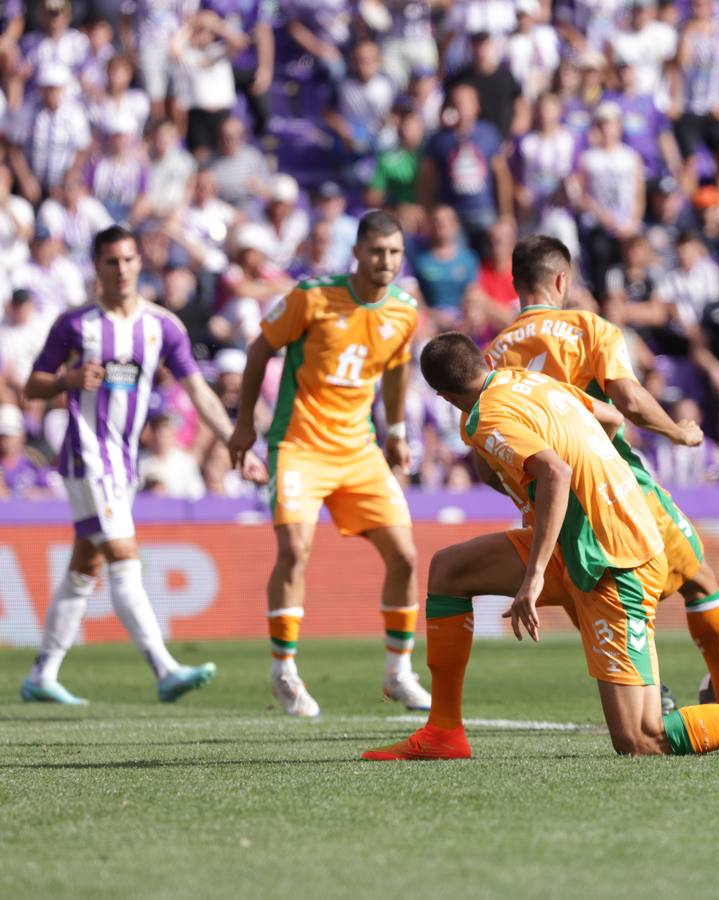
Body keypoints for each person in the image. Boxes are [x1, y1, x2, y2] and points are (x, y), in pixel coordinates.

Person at [360, 333, 719, 760]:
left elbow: (555, 473)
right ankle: (444, 732)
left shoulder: (486, 419)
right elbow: (609, 420)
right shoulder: (531, 382)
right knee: (451, 569)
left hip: (610, 557)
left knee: (641, 740)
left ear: (444, 396)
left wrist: (535, 571)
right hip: (595, 534)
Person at [481, 234, 719, 704]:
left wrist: (535, 491)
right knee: (699, 579)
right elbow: (629, 401)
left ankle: (649, 690)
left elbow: (487, 463)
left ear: (516, 284)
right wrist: (679, 432)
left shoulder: (491, 358)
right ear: (562, 279)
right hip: (617, 485)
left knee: (595, 603)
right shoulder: (588, 326)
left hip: (555, 510)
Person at [19, 224, 265, 705]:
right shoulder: (76, 325)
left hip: (124, 462)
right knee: (124, 560)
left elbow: (198, 391)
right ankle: (164, 668)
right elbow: (33, 385)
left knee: (84, 567)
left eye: (130, 260)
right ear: (97, 267)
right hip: (87, 457)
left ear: (139, 263)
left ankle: (42, 674)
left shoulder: (161, 327)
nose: (123, 269)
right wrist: (67, 379)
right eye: (112, 261)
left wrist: (236, 440)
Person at [228, 210, 429, 718]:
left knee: (406, 556)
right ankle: (283, 669)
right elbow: (259, 351)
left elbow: (397, 370)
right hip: (298, 444)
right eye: (377, 252)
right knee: (295, 548)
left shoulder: (404, 311)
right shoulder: (313, 297)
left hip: (358, 448)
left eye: (395, 253)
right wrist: (244, 425)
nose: (386, 261)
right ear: (357, 252)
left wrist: (398, 432)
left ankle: (399, 671)